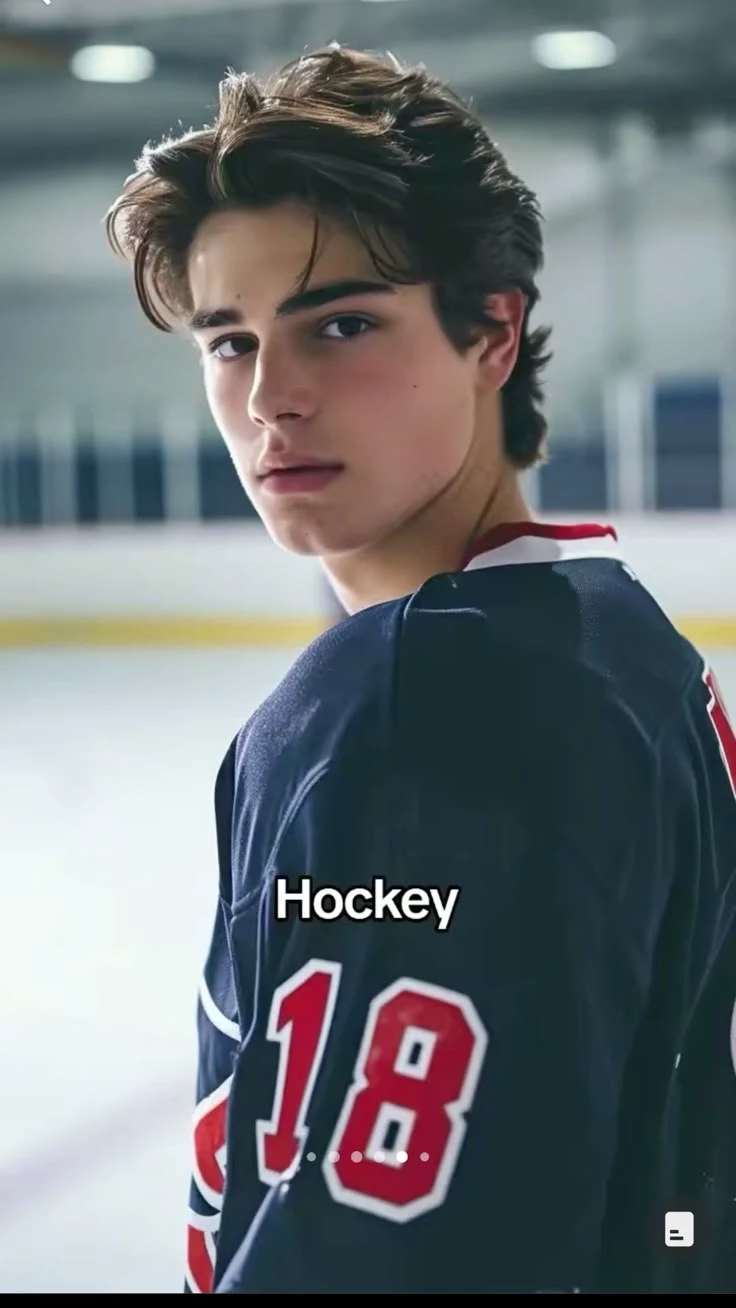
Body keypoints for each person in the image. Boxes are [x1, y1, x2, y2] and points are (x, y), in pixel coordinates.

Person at [105, 45, 736, 1294]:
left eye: (340, 325)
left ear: (492, 332)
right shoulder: (617, 640)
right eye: (229, 342)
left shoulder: (426, 703)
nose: (270, 397)